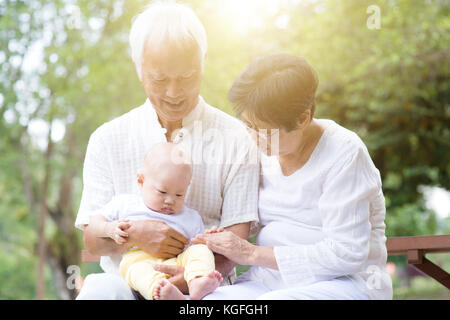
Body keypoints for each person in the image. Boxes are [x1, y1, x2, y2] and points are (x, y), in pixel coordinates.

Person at [75, 2, 259, 300]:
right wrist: (135, 234)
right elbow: (93, 243)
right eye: (160, 79)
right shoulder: (107, 139)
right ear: (139, 68)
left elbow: (237, 244)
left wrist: (188, 280)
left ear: (203, 62)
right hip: (127, 283)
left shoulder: (236, 139)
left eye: (187, 77)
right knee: (99, 290)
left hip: (207, 287)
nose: (174, 93)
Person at [193, 53, 393, 300]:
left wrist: (251, 253)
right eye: (249, 125)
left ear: (302, 119)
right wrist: (217, 250)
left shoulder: (344, 152)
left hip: (346, 283)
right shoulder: (258, 148)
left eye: (265, 131)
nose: (254, 137)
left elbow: (347, 253)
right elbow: (248, 222)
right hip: (270, 281)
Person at [87, 143, 223, 300]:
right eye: (162, 192)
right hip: (140, 260)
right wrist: (109, 228)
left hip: (177, 263)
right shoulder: (125, 204)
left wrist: (210, 239)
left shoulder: (191, 217)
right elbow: (94, 223)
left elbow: (196, 248)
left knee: (200, 251)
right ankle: (160, 292)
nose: (170, 200)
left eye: (179, 195)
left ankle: (197, 283)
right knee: (135, 270)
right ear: (141, 181)